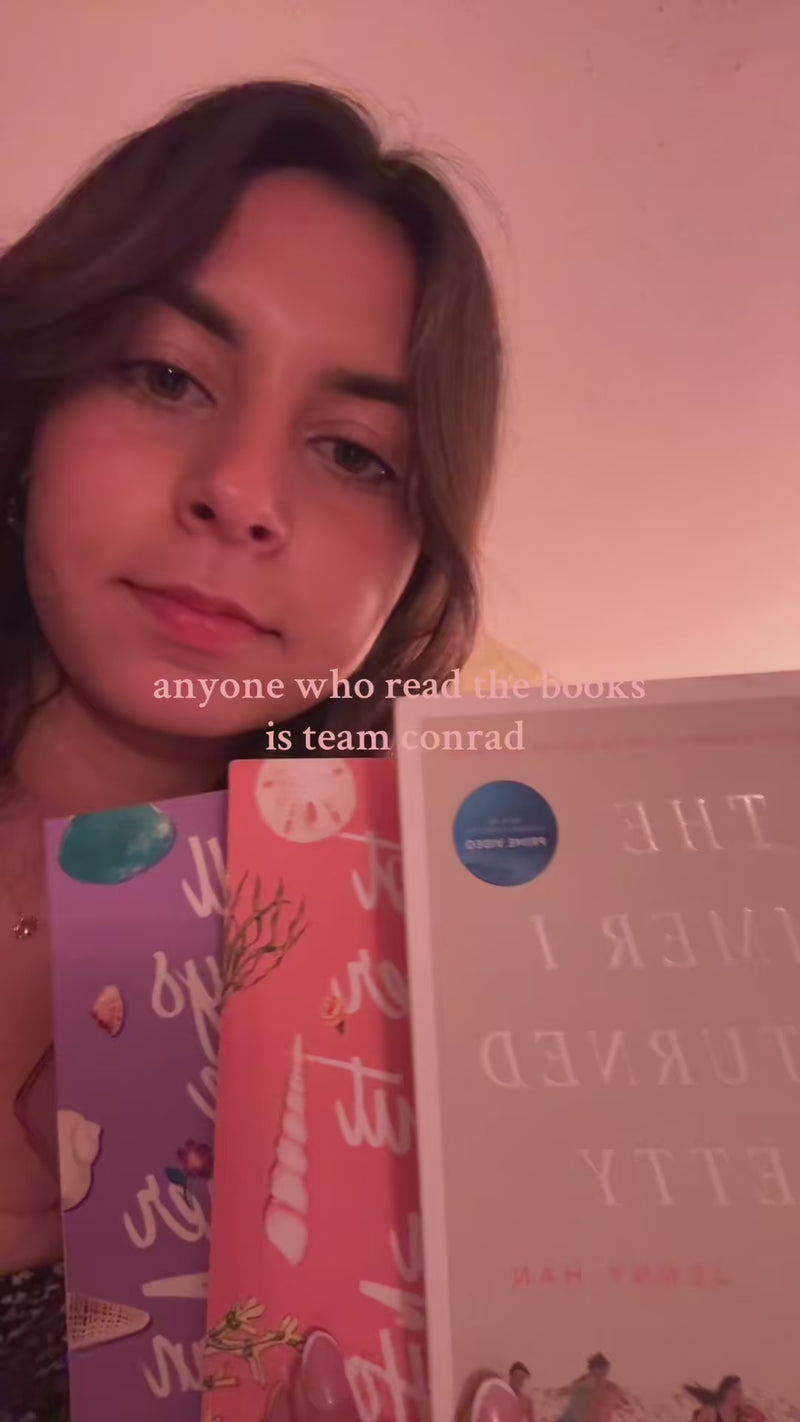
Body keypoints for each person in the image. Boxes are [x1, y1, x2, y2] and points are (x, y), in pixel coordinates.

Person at [0, 79, 503, 1418]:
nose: (240, 491)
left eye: (354, 452)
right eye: (166, 375)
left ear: (414, 563)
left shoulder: (451, 1012)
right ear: (32, 404)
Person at [556, 1353, 630, 1422]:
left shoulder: (612, 1388)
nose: (604, 1371)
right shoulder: (584, 1388)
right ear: (592, 1370)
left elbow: (625, 1404)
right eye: (600, 1368)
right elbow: (572, 1414)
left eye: (605, 1368)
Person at [684, 1376, 769, 1422]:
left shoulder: (740, 1415)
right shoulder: (711, 1411)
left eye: (741, 1391)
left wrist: (750, 1411)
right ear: (727, 1392)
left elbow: (762, 1419)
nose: (741, 1394)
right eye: (737, 1390)